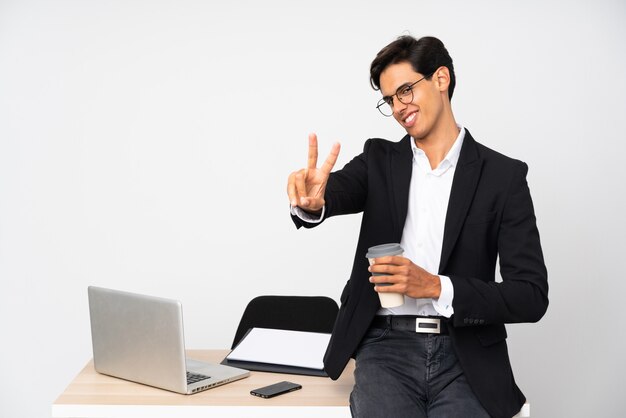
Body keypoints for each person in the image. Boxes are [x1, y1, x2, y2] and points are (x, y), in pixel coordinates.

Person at [287, 35, 548, 418]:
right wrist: (314, 202)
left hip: (466, 351)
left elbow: (530, 294)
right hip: (384, 347)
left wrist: (436, 286)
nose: (398, 107)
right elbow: (336, 191)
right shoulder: (379, 160)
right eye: (390, 99)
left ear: (441, 79)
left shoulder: (503, 177)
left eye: (406, 90)